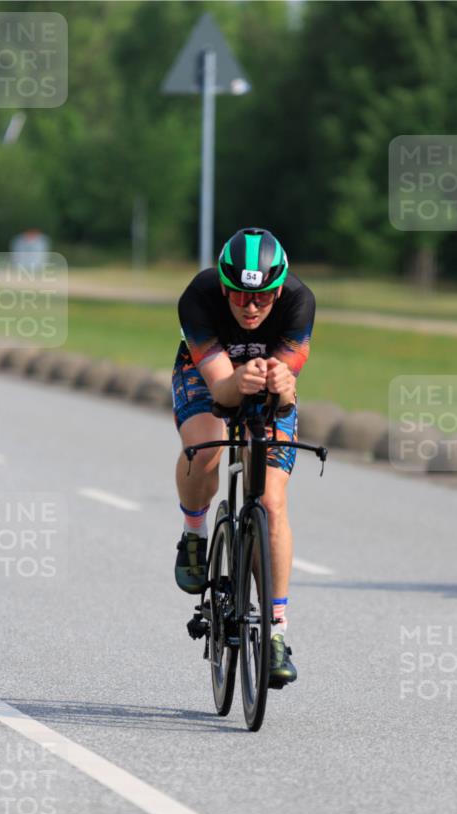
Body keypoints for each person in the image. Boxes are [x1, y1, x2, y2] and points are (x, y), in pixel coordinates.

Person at [172, 227, 315, 688]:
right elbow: (220, 389)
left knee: (271, 501)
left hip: (268, 382)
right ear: (224, 288)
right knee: (204, 450)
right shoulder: (199, 296)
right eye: (238, 296)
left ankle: (276, 633)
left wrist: (283, 390)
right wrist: (237, 381)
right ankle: (194, 532)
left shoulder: (300, 302)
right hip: (209, 373)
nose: (250, 308)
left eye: (262, 298)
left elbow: (285, 388)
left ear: (279, 291)